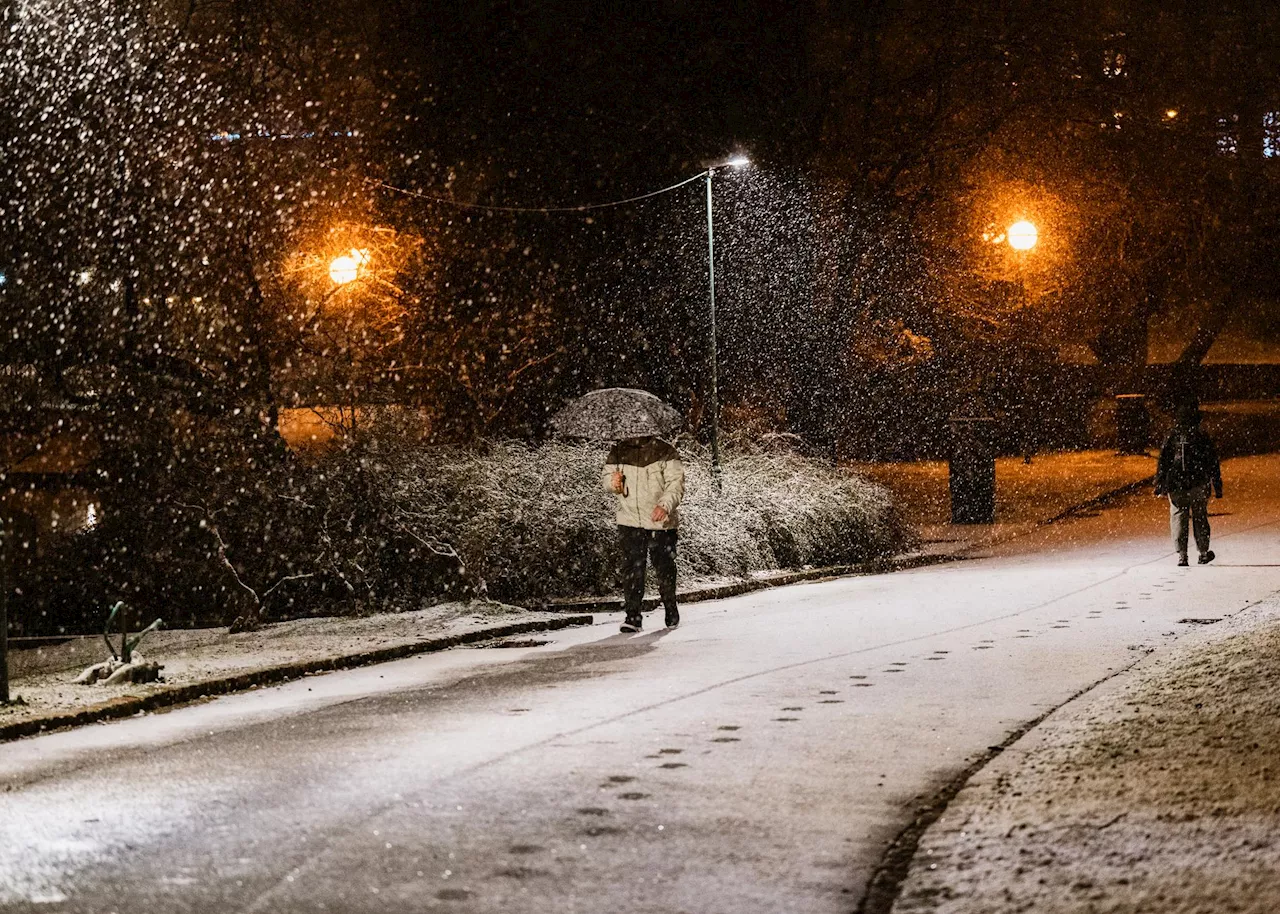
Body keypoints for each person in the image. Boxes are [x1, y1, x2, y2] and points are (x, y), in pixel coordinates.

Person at [602, 435, 685, 632]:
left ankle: (670, 606)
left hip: (660, 522)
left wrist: (665, 506)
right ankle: (633, 617)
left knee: (664, 566)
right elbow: (607, 480)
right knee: (632, 568)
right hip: (629, 520)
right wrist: (612, 483)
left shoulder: (665, 451)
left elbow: (676, 484)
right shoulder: (618, 451)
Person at [1154, 404, 1223, 567]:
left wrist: (1160, 483)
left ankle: (1182, 555)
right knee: (1200, 515)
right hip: (1198, 481)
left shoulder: (1172, 436)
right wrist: (1217, 485)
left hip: (1176, 482)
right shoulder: (1201, 436)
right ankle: (1203, 552)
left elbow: (1163, 461)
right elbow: (1212, 461)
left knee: (1178, 515)